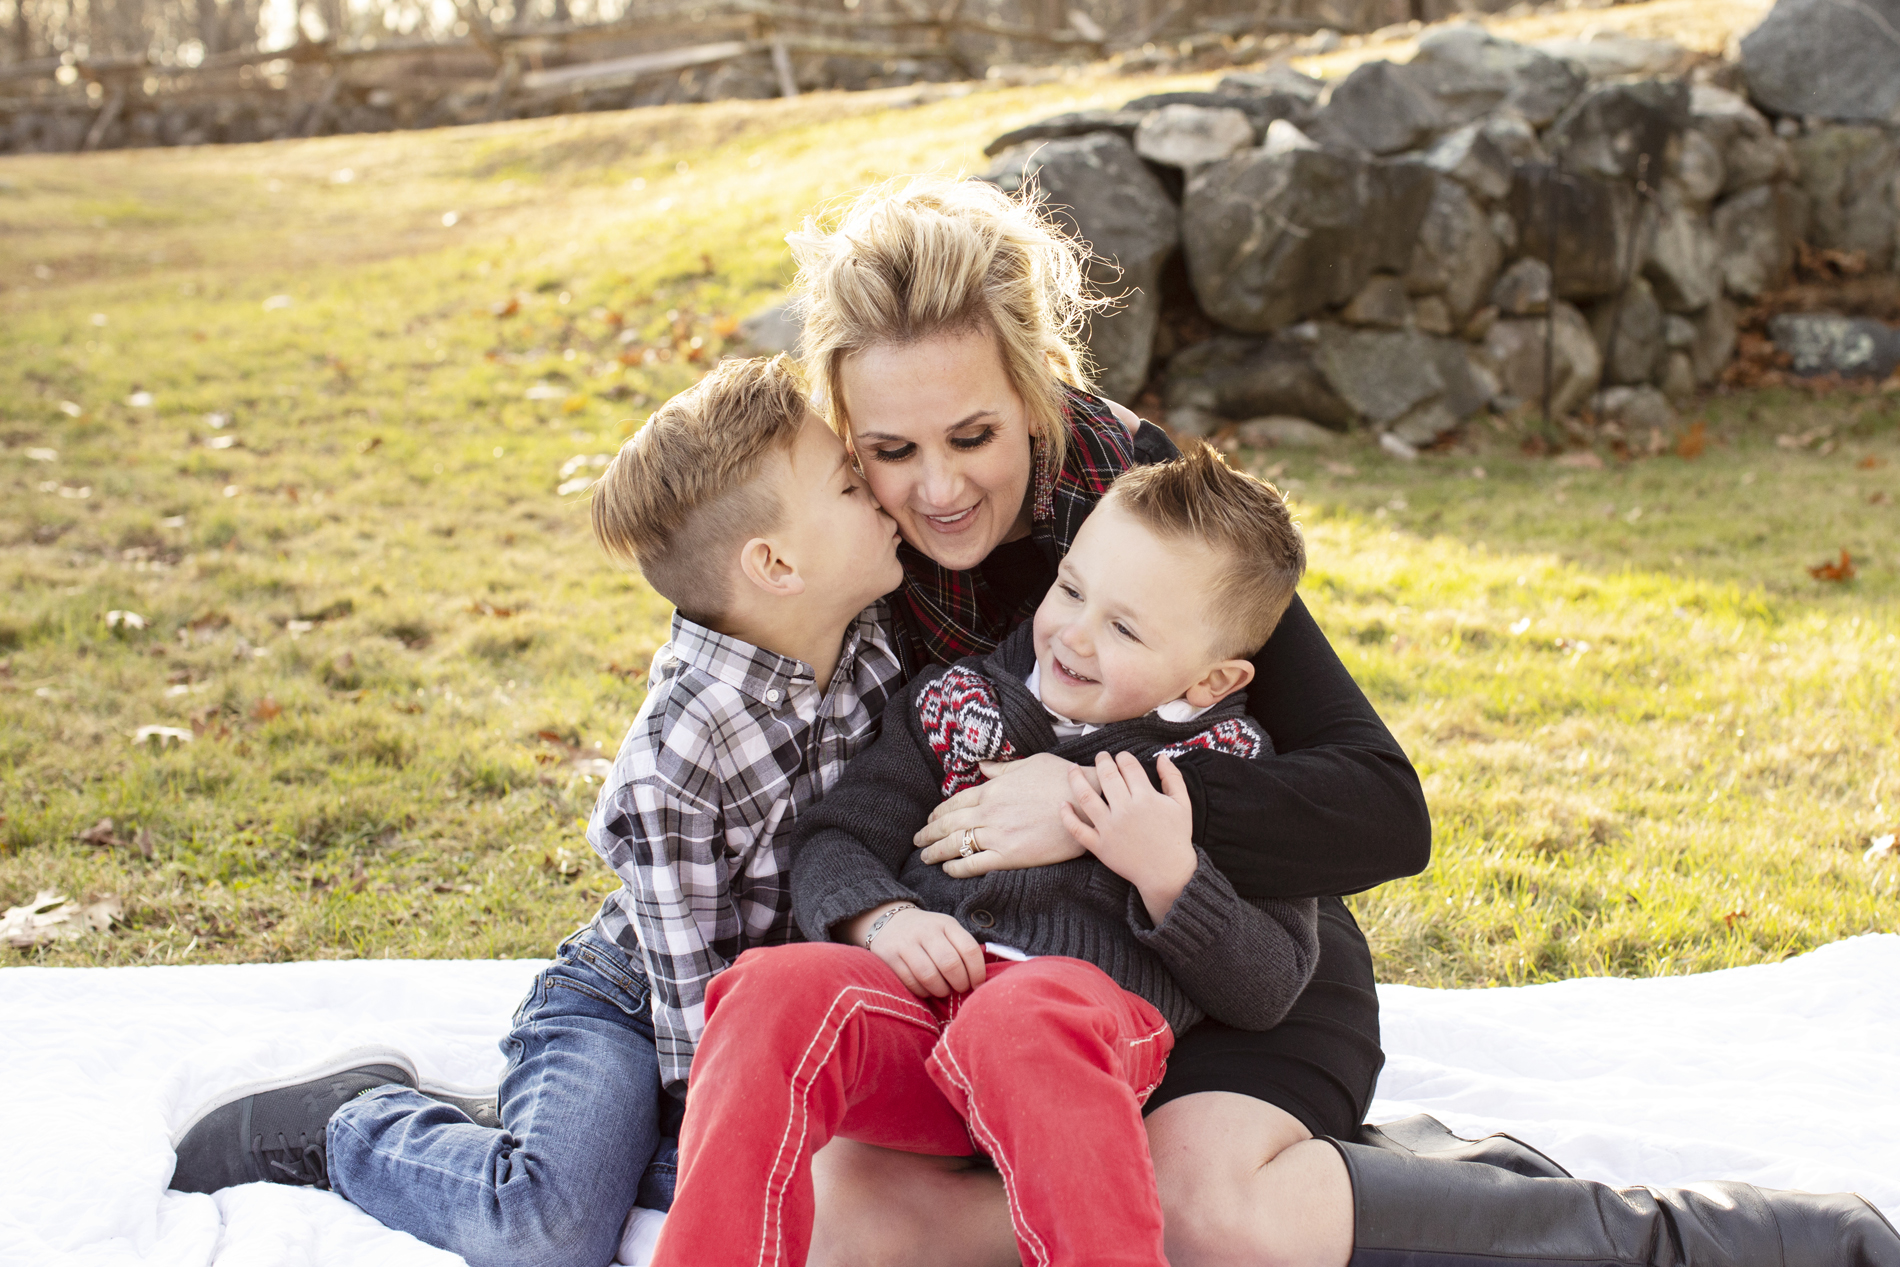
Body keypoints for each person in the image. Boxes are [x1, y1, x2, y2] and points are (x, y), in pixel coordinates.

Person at [784, 176, 1900, 1267]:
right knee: (857, 1223)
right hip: (992, 981)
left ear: (1034, 391)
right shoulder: (822, 537)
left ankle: (1696, 1236)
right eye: (890, 451)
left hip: (1230, 961)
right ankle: (1346, 1181)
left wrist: (1091, 803)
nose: (936, 489)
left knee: (1212, 1214)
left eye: (974, 435)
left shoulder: (1146, 508)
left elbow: (1381, 809)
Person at [167, 355, 911, 1267]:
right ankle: (350, 1127)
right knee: (553, 1231)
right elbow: (684, 998)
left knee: (834, 1178)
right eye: (847, 482)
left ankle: (552, 1130)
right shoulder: (677, 751)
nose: (878, 489)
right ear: (776, 564)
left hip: (773, 1014)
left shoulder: (873, 654)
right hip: (632, 1006)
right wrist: (708, 1127)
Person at [648, 444, 1321, 1267]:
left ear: (1214, 677)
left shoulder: (1227, 769)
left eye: (1124, 627)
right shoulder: (958, 704)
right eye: (1071, 589)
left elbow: (1271, 981)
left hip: (1073, 1042)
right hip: (913, 1019)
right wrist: (881, 916)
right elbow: (838, 835)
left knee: (1022, 1014)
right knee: (766, 988)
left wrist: (1168, 876)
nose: (1073, 633)